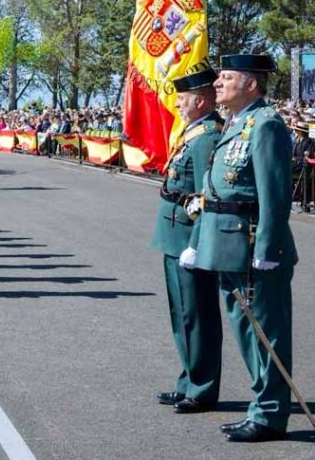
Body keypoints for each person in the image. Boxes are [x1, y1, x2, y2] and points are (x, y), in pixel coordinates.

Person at [181, 54, 299, 442]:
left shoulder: (265, 125)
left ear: (251, 84)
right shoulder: (236, 122)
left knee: (266, 332)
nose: (217, 83)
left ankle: (268, 413)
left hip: (252, 248)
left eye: (227, 77)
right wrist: (199, 242)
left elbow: (274, 194)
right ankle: (261, 407)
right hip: (226, 245)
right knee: (247, 333)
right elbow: (213, 193)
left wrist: (268, 246)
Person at [151, 67, 223, 415]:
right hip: (173, 231)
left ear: (201, 99)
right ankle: (188, 381)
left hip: (187, 235)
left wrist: (198, 242)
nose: (177, 103)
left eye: (182, 97)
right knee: (181, 314)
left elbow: (205, 196)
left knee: (198, 314)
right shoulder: (194, 132)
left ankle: (203, 387)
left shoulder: (208, 135)